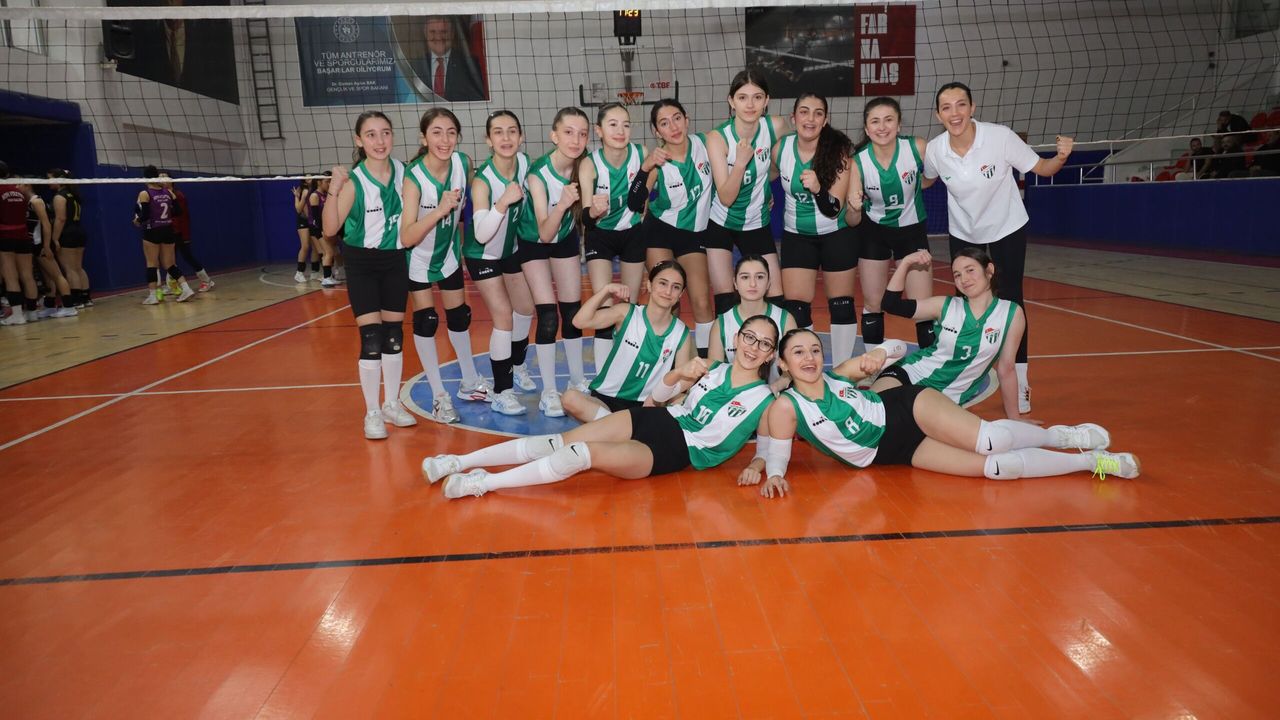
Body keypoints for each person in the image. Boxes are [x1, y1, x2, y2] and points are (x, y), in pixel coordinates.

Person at [423, 314, 781, 499]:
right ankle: (457, 462)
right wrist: (677, 375)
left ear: (770, 355)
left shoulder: (765, 400)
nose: (753, 347)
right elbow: (657, 398)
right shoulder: (710, 367)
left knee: (579, 455)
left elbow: (769, 446)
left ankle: (486, 483)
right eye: (749, 337)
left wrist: (759, 465)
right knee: (557, 442)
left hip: (677, 450)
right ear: (736, 339)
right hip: (654, 418)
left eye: (764, 344)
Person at [749, 329, 1139, 499]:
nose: (809, 358)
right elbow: (778, 453)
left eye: (814, 350)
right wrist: (775, 475)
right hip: (890, 453)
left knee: (992, 440)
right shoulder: (787, 406)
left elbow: (898, 348)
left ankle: (1065, 436)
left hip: (906, 410)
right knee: (998, 468)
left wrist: (880, 353)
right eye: (798, 352)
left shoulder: (840, 374)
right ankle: (1090, 462)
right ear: (782, 363)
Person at [924, 82, 1073, 414]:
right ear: (938, 115)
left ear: (972, 108)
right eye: (946, 107)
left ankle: (1019, 384)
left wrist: (1061, 157)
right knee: (967, 305)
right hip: (964, 231)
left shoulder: (1000, 137)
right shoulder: (935, 150)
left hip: (1007, 226)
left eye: (961, 105)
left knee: (1011, 301)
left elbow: (1043, 168)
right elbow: (926, 179)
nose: (954, 113)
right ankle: (962, 381)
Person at [321, 111, 418, 440]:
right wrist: (334, 189)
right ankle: (372, 412)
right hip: (361, 262)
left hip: (395, 260)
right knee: (372, 338)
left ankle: (391, 404)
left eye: (385, 133)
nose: (380, 141)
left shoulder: (405, 173)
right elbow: (330, 229)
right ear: (359, 140)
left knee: (393, 336)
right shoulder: (354, 182)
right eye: (371, 134)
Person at [400, 108, 493, 424]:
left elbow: (480, 193)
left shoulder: (463, 163)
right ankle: (440, 397)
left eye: (451, 132)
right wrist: (439, 211)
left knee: (460, 317)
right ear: (423, 137)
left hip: (449, 252)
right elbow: (407, 236)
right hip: (418, 257)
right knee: (426, 321)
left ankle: (470, 383)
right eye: (437, 132)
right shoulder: (413, 177)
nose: (445, 139)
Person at [871, 247, 1026, 419]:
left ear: (989, 270)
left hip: (946, 399)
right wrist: (906, 262)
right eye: (957, 275)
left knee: (905, 427)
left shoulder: (1011, 313)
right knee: (872, 414)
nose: (964, 279)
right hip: (909, 374)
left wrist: (1015, 419)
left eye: (970, 270)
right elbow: (891, 304)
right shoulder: (945, 305)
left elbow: (1006, 369)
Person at [774, 92, 859, 365]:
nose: (810, 119)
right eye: (804, 112)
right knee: (797, 308)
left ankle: (844, 371)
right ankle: (805, 366)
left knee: (841, 304)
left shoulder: (838, 154)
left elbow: (834, 208)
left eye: (818, 113)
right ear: (793, 118)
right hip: (797, 236)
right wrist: (764, 195)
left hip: (836, 234)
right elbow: (768, 174)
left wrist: (818, 188)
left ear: (825, 120)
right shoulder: (781, 149)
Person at [517, 106, 591, 418]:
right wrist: (562, 204)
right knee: (548, 317)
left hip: (566, 237)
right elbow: (545, 233)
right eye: (568, 132)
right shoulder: (538, 175)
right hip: (534, 240)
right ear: (554, 136)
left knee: (572, 313)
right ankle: (549, 391)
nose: (576, 140)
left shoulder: (585, 166)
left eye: (582, 134)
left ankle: (576, 381)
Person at [465, 110, 539, 414]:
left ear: (521, 137)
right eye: (498, 132)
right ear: (488, 140)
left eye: (512, 131)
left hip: (511, 250)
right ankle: (501, 391)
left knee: (526, 308)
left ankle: (517, 367)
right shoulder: (482, 182)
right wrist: (503, 202)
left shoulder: (524, 163)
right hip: (482, 255)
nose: (506, 138)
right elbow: (481, 234)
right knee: (503, 317)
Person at [849, 97, 936, 351]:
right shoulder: (857, 162)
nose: (882, 127)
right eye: (875, 121)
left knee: (922, 306)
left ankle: (929, 365)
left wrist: (918, 186)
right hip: (873, 233)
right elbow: (852, 220)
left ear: (899, 125)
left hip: (912, 231)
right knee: (873, 303)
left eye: (889, 120)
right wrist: (853, 207)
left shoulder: (917, 147)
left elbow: (930, 178)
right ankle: (872, 365)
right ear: (867, 129)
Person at [561, 260, 694, 423]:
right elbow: (579, 322)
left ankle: (613, 428)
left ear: (681, 294)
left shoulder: (680, 332)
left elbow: (680, 379)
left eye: (676, 287)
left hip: (645, 405)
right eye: (662, 283)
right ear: (649, 285)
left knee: (683, 401)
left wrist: (661, 400)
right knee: (569, 398)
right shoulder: (627, 313)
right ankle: (625, 428)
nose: (668, 291)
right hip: (606, 400)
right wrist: (606, 290)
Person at [632, 98, 715, 357]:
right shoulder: (657, 162)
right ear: (657, 131)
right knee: (668, 301)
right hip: (659, 232)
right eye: (664, 123)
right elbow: (634, 202)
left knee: (702, 302)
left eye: (677, 118)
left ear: (686, 120)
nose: (674, 127)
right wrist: (645, 167)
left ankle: (705, 365)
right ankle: (663, 360)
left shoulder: (707, 143)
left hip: (694, 235)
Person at [705, 69, 789, 315]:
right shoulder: (717, 138)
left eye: (757, 97)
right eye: (742, 98)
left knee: (776, 298)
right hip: (721, 221)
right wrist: (741, 163)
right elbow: (726, 197)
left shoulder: (776, 126)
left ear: (766, 101)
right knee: (725, 302)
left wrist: (764, 188)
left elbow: (782, 163)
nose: (750, 105)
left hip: (756, 221)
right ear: (731, 102)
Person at [578, 103, 646, 370]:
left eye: (626, 125)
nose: (620, 131)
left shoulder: (641, 153)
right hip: (600, 235)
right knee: (604, 306)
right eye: (613, 124)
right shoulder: (589, 164)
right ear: (599, 131)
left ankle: (628, 368)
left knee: (630, 304)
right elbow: (585, 217)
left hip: (633, 233)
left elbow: (646, 192)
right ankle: (603, 375)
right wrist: (594, 211)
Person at [708, 255, 795, 380]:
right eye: (745, 277)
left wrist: (774, 388)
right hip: (734, 391)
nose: (752, 284)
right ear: (735, 283)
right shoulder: (721, 324)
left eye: (759, 277)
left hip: (775, 391)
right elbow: (714, 374)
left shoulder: (785, 320)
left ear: (768, 283)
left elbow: (793, 370)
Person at [134, 165, 195, 305]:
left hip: (152, 231)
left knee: (151, 263)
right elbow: (178, 211)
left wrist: (137, 221)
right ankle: (186, 288)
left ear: (145, 178)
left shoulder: (145, 193)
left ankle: (153, 296)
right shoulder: (168, 192)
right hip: (168, 230)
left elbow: (146, 215)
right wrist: (165, 215)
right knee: (169, 264)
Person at [22, 183, 77, 319]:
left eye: (19, 183)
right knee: (48, 277)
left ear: (27, 185)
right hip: (36, 244)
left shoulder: (36, 201)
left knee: (57, 275)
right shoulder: (29, 202)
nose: (16, 186)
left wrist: (46, 246)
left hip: (42, 244)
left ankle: (69, 307)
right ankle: (50, 306)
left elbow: (46, 225)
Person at [409, 16, 486, 102]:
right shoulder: (414, 68)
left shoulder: (469, 65)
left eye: (444, 32)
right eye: (432, 32)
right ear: (425, 33)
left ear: (452, 34)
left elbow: (478, 100)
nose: (438, 37)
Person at [0, 161, 39, 325]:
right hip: (23, 236)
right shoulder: (21, 192)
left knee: (10, 276)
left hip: (5, 236)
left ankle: (17, 315)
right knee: (27, 275)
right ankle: (32, 313)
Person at [46, 169, 93, 308]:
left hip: (67, 233)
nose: (47, 182)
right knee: (78, 267)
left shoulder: (59, 197)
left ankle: (76, 300)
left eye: (49, 178)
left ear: (59, 179)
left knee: (70, 269)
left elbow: (61, 218)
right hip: (79, 231)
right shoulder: (74, 195)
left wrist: (54, 238)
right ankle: (86, 298)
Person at [163, 176, 213, 292]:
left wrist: (182, 233)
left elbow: (181, 215)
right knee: (170, 259)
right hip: (170, 231)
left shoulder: (178, 195)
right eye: (159, 178)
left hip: (180, 232)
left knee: (187, 256)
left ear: (171, 181)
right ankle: (171, 285)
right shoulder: (163, 196)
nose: (161, 180)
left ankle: (206, 281)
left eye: (164, 177)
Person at [309, 173, 340, 287]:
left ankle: (329, 276)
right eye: (327, 181)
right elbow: (316, 217)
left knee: (330, 252)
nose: (329, 184)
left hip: (326, 228)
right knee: (328, 252)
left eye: (330, 181)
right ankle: (326, 278)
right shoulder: (314, 196)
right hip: (319, 228)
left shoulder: (326, 195)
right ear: (319, 182)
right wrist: (322, 229)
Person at [293, 180, 321, 283]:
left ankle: (315, 272)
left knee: (315, 247)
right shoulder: (304, 191)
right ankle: (299, 272)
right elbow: (298, 209)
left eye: (311, 177)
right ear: (304, 180)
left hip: (312, 221)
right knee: (305, 246)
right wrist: (298, 197)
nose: (310, 178)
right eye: (307, 177)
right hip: (304, 221)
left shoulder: (315, 191)